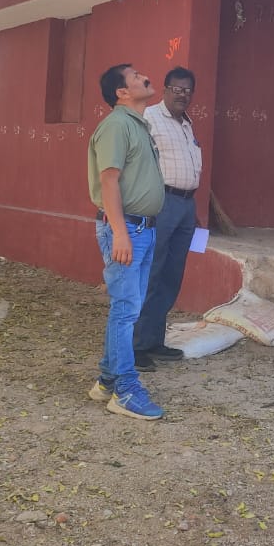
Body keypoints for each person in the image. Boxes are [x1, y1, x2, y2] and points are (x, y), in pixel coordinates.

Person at [87, 64, 167, 420]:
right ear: (121, 92)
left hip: (142, 229)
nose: (145, 77)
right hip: (127, 230)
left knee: (127, 307)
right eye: (135, 76)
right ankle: (126, 390)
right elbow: (109, 180)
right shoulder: (116, 125)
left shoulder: (137, 125)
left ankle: (108, 380)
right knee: (126, 310)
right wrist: (120, 232)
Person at [133, 67, 202, 370]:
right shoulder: (149, 118)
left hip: (186, 206)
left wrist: (192, 211)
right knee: (151, 274)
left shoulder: (187, 124)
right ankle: (135, 346)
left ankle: (154, 341)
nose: (182, 95)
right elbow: (134, 162)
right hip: (160, 203)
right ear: (164, 89)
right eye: (176, 89)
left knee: (171, 277)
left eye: (187, 90)